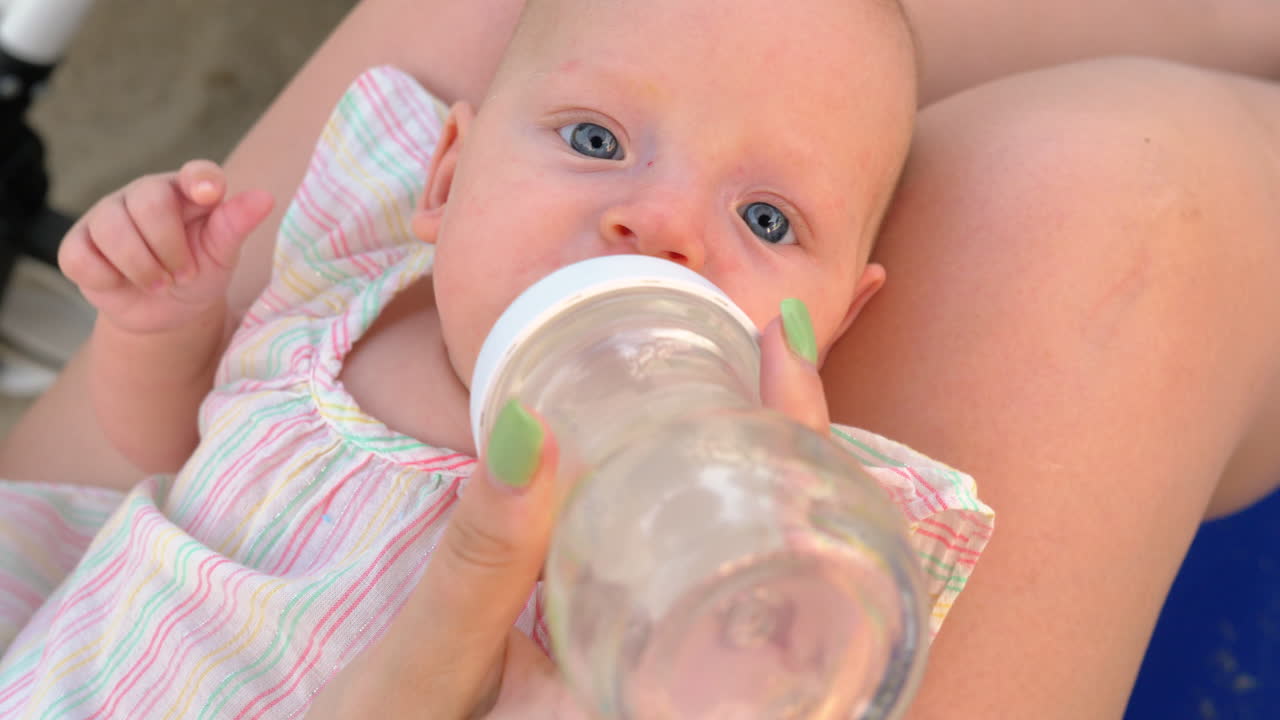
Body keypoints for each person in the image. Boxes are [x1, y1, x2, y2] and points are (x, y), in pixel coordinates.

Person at [1, 0, 1278, 718]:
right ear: (441, 178)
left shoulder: (707, 497)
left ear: (836, 321)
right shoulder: (340, 299)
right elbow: (184, 441)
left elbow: (171, 450)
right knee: (1104, 200)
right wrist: (166, 322)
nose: (659, 226)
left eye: (767, 222)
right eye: (596, 142)